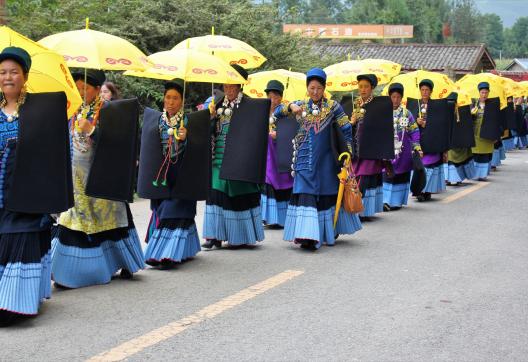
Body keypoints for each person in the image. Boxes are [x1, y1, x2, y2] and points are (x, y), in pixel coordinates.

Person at [51, 69, 144, 288]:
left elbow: (118, 145)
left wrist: (92, 130)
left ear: (96, 90)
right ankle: (67, 274)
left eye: (86, 88)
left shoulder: (110, 111)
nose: (81, 92)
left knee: (111, 222)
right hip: (76, 177)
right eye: (78, 87)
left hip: (101, 174)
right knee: (72, 220)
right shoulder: (72, 110)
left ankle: (123, 261)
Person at [0, 47, 72, 324]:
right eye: (3, 72)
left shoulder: (40, 111)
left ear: (25, 76)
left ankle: (15, 303)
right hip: (1, 191)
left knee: (20, 236)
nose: (8, 77)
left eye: (14, 72)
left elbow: (53, 153)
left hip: (27, 192)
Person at [274, 68, 362, 250]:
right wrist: (290, 106)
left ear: (324, 88)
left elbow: (346, 129)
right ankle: (307, 236)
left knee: (325, 195)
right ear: (307, 87)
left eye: (319, 88)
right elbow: (276, 114)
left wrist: (348, 154)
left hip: (326, 162)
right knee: (305, 195)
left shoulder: (333, 106)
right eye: (312, 88)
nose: (315, 92)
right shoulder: (300, 105)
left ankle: (324, 231)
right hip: (303, 162)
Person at [140, 79, 205, 269]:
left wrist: (188, 138)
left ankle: (165, 254)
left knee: (174, 211)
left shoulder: (189, 122)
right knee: (164, 210)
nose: (171, 102)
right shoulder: (157, 120)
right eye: (168, 97)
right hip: (161, 175)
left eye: (175, 98)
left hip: (182, 175)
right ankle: (182, 249)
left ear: (182, 101)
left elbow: (200, 150)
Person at [202, 64, 269, 249]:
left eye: (233, 86)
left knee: (238, 195)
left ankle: (240, 236)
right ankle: (214, 236)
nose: (229, 90)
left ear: (240, 86)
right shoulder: (216, 104)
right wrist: (210, 118)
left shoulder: (250, 106)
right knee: (215, 192)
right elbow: (208, 132)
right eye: (226, 85)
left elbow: (255, 136)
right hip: (218, 158)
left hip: (240, 160)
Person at [350, 74, 385, 219]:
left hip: (371, 148)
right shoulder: (355, 104)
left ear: (372, 88)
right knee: (356, 176)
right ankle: (357, 207)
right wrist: (351, 122)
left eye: (366, 87)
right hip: (356, 148)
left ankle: (364, 210)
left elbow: (381, 127)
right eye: (360, 86)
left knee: (366, 176)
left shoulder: (378, 105)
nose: (363, 90)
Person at [261, 80, 294, 228]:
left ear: (280, 97)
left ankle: (282, 217)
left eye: (275, 96)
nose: (272, 99)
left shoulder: (285, 110)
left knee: (283, 182)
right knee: (267, 179)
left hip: (280, 152)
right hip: (267, 153)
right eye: (269, 96)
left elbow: (291, 130)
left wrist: (278, 134)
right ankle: (267, 216)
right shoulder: (263, 110)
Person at [383, 83, 421, 211]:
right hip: (387, 150)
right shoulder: (383, 112)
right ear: (389, 97)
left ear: (402, 98)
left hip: (403, 151)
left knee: (401, 175)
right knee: (387, 173)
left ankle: (396, 202)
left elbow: (414, 131)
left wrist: (417, 147)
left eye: (398, 97)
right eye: (393, 97)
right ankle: (385, 201)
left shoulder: (406, 113)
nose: (395, 100)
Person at [414, 79, 446, 201]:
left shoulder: (436, 105)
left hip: (433, 140)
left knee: (430, 165)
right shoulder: (415, 104)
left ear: (431, 91)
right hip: (419, 140)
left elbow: (440, 123)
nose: (424, 92)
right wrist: (417, 122)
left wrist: (429, 123)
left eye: (427, 90)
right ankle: (420, 190)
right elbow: (409, 121)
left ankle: (427, 190)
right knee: (421, 165)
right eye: (422, 90)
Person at [444, 92, 476, 185]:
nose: (451, 103)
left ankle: (456, 179)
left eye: (452, 101)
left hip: (459, 143)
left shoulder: (463, 110)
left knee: (456, 161)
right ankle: (450, 179)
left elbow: (467, 126)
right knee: (450, 161)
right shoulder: (447, 111)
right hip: (450, 142)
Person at [471, 82, 496, 181]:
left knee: (485, 155)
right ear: (479, 93)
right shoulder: (474, 104)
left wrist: (495, 136)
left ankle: (482, 175)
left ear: (488, 93)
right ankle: (475, 174)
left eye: (486, 92)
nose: (484, 95)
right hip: (476, 134)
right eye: (482, 92)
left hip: (487, 134)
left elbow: (496, 121)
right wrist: (472, 113)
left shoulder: (492, 105)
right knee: (476, 154)